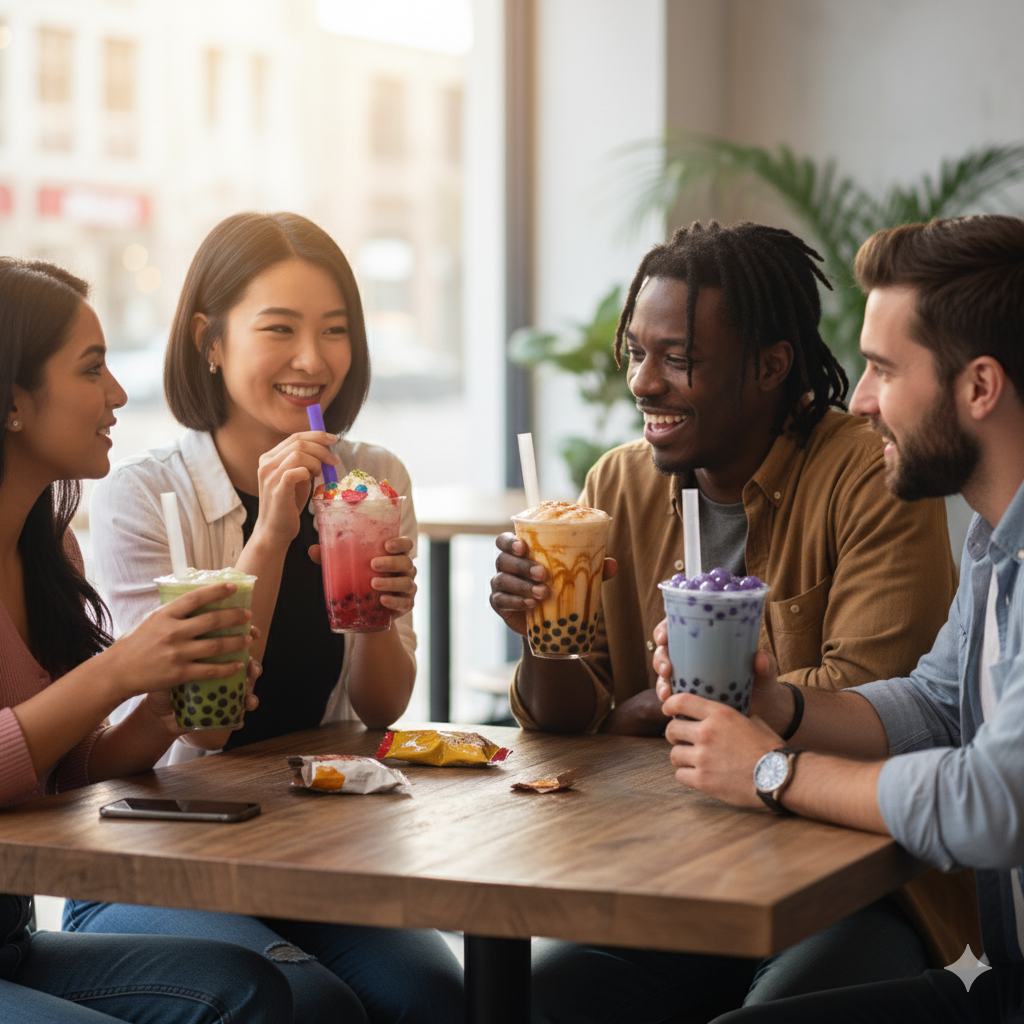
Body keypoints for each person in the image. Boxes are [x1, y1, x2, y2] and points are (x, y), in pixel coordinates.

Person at [489, 221, 978, 1020]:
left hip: (847, 881)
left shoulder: (867, 475)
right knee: (532, 1005)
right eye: (636, 353)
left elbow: (875, 697)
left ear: (770, 367)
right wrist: (539, 628)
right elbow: (570, 723)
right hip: (668, 869)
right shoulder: (619, 483)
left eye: (677, 359)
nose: (645, 382)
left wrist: (646, 713)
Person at [65, 213, 463, 1024]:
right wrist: (273, 533)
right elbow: (199, 730)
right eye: (279, 329)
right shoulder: (147, 496)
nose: (313, 361)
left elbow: (382, 709)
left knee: (435, 996)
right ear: (210, 340)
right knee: (308, 1003)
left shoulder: (374, 477)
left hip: (317, 844)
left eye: (335, 332)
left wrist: (379, 611)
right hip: (162, 853)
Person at [659, 215, 1024, 1023]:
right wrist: (778, 708)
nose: (858, 400)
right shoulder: (998, 548)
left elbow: (994, 801)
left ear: (979, 387)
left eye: (883, 370)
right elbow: (933, 708)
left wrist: (773, 771)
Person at [0, 257, 294, 1023]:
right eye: (92, 369)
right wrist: (118, 673)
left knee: (260, 995)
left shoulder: (49, 558)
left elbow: (64, 778)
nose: (118, 395)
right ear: (12, 402)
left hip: (11, 940)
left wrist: (157, 711)